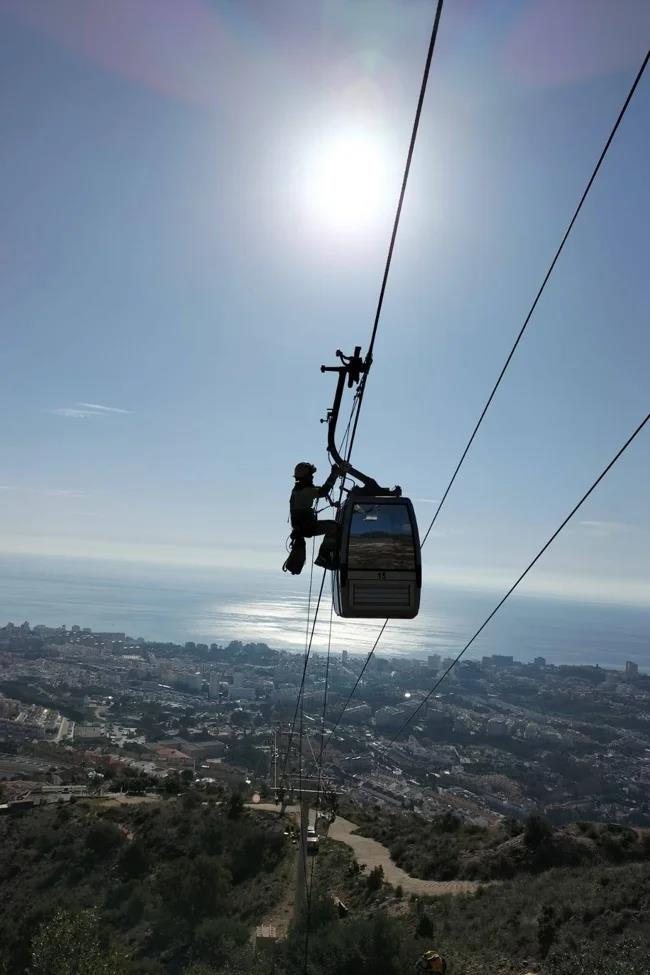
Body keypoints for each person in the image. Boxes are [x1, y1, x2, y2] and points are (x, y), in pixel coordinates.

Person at [290, 461, 341, 569]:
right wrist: (334, 474)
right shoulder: (305, 491)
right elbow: (323, 491)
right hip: (307, 527)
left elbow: (319, 490)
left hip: (302, 527)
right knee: (335, 527)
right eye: (311, 475)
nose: (312, 477)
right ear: (306, 476)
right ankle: (323, 557)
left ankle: (324, 556)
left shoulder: (298, 490)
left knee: (333, 526)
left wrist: (332, 503)